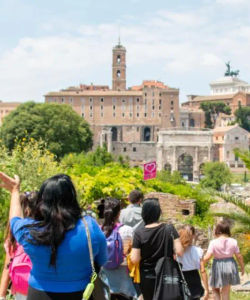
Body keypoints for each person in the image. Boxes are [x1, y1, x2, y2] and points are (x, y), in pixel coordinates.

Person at [0, 172, 107, 300]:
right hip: (81, 294)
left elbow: (14, 220)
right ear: (72, 199)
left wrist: (15, 191)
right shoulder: (89, 227)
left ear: (42, 201)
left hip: (39, 295)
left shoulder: (31, 231)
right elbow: (102, 259)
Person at [130, 199, 184, 300]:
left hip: (147, 277)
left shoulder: (139, 233)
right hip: (166, 275)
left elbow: (135, 259)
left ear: (144, 213)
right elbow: (180, 251)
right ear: (159, 213)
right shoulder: (169, 229)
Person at [0, 192, 36, 300]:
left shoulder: (14, 237)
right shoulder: (42, 233)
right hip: (38, 289)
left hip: (20, 290)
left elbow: (7, 266)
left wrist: (2, 294)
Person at [101, 197, 137, 299]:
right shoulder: (127, 230)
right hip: (123, 273)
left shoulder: (99, 230)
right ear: (119, 213)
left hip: (105, 272)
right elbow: (133, 252)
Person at [204, 220, 245, 300]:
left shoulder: (213, 242)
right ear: (227, 230)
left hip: (217, 267)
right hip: (230, 266)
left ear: (217, 230)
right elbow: (239, 256)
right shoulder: (234, 241)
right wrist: (242, 267)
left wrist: (201, 263)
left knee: (215, 289)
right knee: (225, 291)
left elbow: (207, 256)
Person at [177, 225, 209, 300]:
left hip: (180, 277)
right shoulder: (198, 251)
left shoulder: (176, 251)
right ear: (194, 236)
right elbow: (203, 271)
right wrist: (207, 289)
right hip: (194, 279)